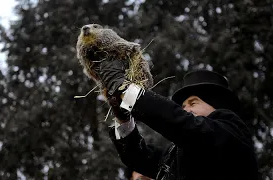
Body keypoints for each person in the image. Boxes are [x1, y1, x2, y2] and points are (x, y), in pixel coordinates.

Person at [98, 59, 259, 180]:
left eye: (193, 102)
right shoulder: (176, 155)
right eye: (182, 106)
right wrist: (124, 120)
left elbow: (188, 127)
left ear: (215, 106)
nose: (186, 109)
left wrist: (129, 92)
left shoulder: (231, 131)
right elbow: (138, 158)